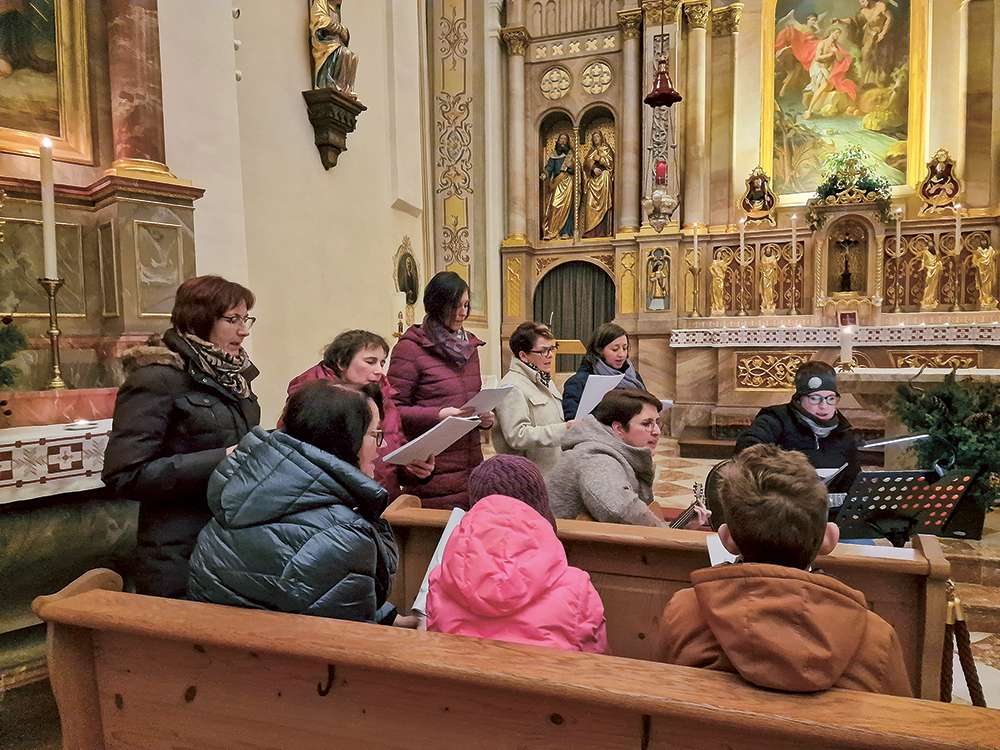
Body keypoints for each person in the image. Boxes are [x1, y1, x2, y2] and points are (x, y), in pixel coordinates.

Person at [657, 444, 912, 697]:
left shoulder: (685, 612)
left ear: (727, 538)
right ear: (829, 539)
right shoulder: (876, 638)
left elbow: (659, 697)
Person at [187, 381, 411, 626]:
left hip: (218, 642)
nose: (382, 446)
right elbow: (344, 637)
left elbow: (305, 596)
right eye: (374, 435)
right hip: (285, 648)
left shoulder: (243, 494)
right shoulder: (343, 536)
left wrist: (389, 618)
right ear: (345, 440)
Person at [103, 276, 260, 598]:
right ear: (199, 319)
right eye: (232, 320)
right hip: (179, 552)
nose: (244, 330)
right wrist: (222, 459)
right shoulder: (156, 378)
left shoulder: (231, 377)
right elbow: (126, 475)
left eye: (246, 319)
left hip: (231, 546)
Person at [426, 455, 609, 653]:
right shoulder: (576, 587)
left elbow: (438, 651)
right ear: (540, 510)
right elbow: (595, 662)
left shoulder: (441, 580)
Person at [283, 330, 434, 500]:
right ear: (341, 362)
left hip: (382, 500)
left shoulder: (384, 397)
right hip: (338, 501)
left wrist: (415, 470)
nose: (379, 371)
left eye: (382, 363)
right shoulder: (313, 400)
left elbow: (393, 454)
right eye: (370, 362)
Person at [387, 271, 494, 510]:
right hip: (432, 471)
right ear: (437, 305)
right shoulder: (410, 349)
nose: (463, 312)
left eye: (466, 305)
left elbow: (470, 401)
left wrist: (483, 419)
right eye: (456, 306)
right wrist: (438, 415)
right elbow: (392, 410)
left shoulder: (469, 347)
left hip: (471, 467)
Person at [549, 388, 706, 529]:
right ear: (618, 428)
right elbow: (617, 508)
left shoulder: (606, 450)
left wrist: (683, 526)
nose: (657, 431)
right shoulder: (596, 460)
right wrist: (667, 532)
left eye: (656, 422)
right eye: (647, 424)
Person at [735, 361, 860, 493]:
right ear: (799, 399)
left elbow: (854, 478)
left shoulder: (842, 430)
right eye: (815, 399)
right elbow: (746, 450)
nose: (824, 406)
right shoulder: (775, 419)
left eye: (830, 399)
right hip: (783, 500)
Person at [492, 322, 572, 478]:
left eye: (551, 349)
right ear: (523, 356)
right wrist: (564, 429)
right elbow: (517, 436)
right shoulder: (512, 387)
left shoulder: (544, 379)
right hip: (528, 478)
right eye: (543, 351)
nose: (550, 355)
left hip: (552, 473)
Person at [562, 322, 644, 421]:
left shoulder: (633, 376)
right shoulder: (579, 382)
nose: (621, 354)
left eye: (625, 348)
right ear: (599, 350)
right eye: (615, 349)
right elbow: (572, 420)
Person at [309, 0, 358, 95]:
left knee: (353, 57)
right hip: (324, 45)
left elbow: (343, 35)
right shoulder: (320, 3)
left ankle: (345, 89)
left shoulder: (335, 10)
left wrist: (343, 31)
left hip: (334, 43)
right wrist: (339, 28)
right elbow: (319, 20)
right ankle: (330, 82)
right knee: (343, 53)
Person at [540, 133, 575, 240]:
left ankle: (566, 232)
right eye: (561, 139)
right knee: (554, 206)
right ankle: (552, 231)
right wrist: (545, 174)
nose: (563, 141)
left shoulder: (571, 155)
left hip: (568, 181)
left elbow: (577, 169)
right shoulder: (554, 155)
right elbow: (549, 167)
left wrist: (572, 167)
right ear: (558, 141)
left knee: (568, 207)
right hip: (557, 182)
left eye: (565, 139)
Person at [581, 130, 614, 238]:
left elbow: (611, 165)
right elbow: (586, 165)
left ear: (602, 138)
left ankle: (602, 232)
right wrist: (593, 167)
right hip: (593, 181)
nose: (596, 139)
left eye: (597, 136)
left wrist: (601, 159)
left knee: (604, 205)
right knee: (590, 204)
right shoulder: (591, 151)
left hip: (604, 180)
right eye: (594, 137)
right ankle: (590, 231)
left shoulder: (607, 149)